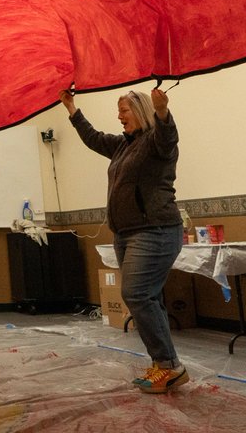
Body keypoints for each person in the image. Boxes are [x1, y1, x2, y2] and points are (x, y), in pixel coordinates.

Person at [58, 86, 188, 394]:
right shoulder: (122, 146)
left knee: (137, 293)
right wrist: (71, 108)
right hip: (127, 233)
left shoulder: (156, 141)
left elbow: (169, 137)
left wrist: (162, 112)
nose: (119, 116)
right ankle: (163, 364)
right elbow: (93, 138)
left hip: (155, 230)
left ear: (140, 111)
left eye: (124, 111)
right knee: (147, 297)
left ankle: (170, 365)